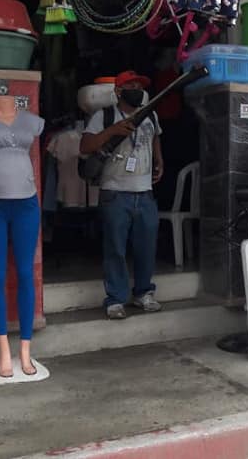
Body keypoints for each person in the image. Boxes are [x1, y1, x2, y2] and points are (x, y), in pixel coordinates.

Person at [81, 71, 164, 318]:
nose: (137, 90)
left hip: (145, 192)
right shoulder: (104, 116)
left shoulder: (151, 114)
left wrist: (159, 159)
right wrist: (112, 131)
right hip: (115, 192)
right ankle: (116, 299)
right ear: (118, 91)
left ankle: (143, 293)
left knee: (146, 247)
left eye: (140, 86)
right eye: (131, 86)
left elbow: (155, 138)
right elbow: (85, 146)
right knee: (115, 249)